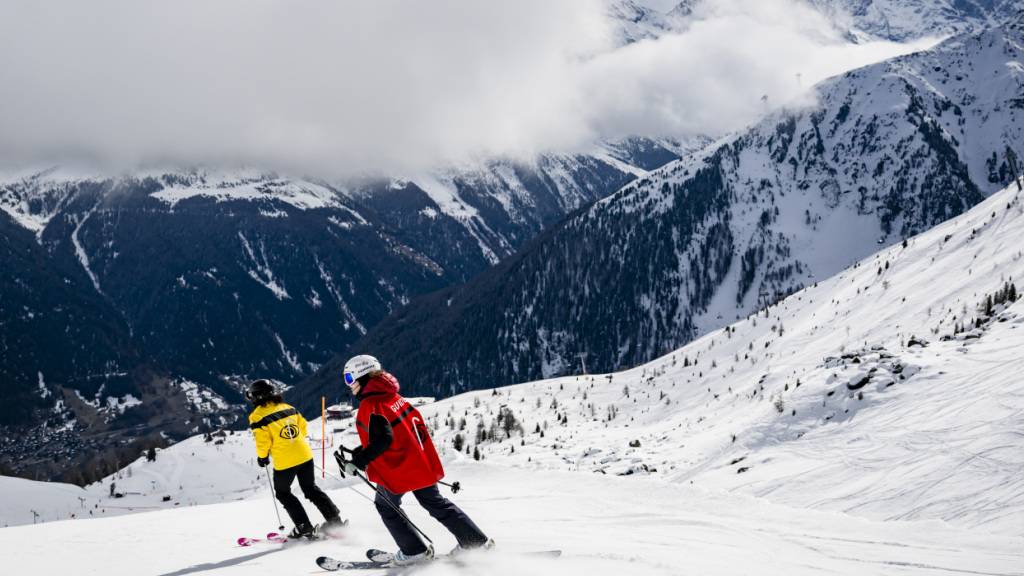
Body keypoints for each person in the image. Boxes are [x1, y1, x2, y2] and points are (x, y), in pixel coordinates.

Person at [335, 355, 492, 565]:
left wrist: (359, 461)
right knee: (435, 503)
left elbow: (383, 439)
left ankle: (414, 551)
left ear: (361, 376)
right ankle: (475, 542)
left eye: (349, 378)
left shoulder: (372, 404)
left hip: (399, 467)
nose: (348, 384)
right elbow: (395, 433)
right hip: (419, 462)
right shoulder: (393, 397)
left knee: (386, 505)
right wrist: (360, 452)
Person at [247, 379, 343, 538]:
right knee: (310, 489)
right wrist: (295, 444)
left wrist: (262, 457)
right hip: (305, 455)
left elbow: (263, 441)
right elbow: (303, 428)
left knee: (283, 493)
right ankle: (335, 521)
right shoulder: (288, 408)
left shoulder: (257, 416)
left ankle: (304, 526)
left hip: (285, 461)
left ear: (257, 397)